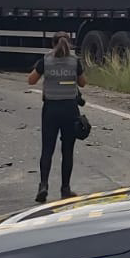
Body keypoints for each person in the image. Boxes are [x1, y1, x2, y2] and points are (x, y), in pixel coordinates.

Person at [27, 33, 85, 203]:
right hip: (70, 110)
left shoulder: (46, 61)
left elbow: (31, 81)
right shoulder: (74, 62)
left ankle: (43, 185)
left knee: (47, 149)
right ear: (69, 43)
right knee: (67, 151)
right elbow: (83, 83)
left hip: (51, 110)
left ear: (52, 44)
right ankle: (65, 189)